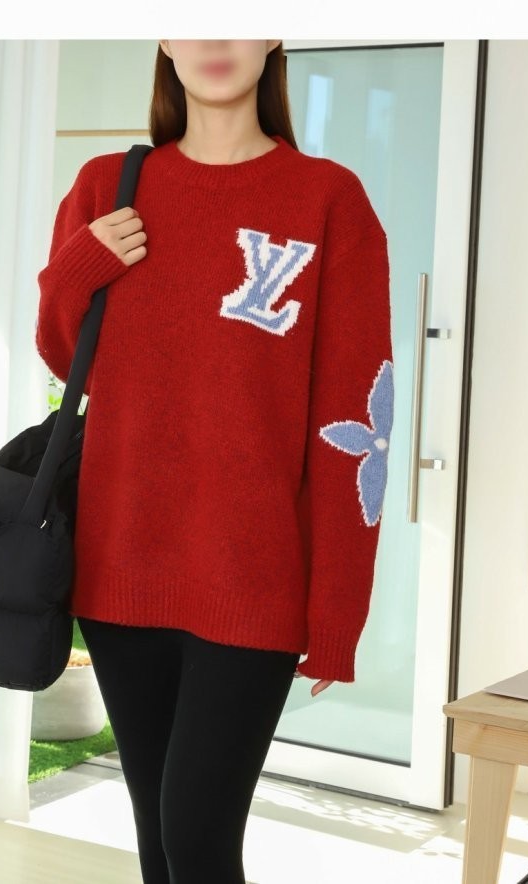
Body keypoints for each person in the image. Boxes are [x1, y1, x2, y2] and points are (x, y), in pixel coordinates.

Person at [35, 38, 393, 884]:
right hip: (122, 563)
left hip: (253, 576)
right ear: (164, 39)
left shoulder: (329, 199)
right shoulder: (106, 187)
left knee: (197, 839)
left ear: (273, 36)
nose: (216, 41)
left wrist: (336, 611)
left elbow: (355, 428)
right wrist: (81, 265)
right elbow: (65, 357)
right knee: (159, 841)